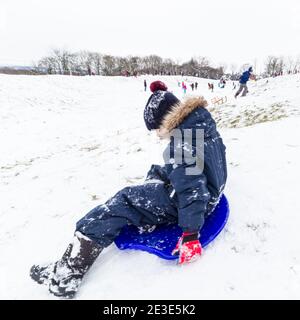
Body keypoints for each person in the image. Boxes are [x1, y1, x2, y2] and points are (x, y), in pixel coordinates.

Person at [30, 81, 227, 299]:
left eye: (157, 129)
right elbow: (198, 170)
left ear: (166, 121)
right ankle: (146, 213)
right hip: (211, 190)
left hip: (193, 204)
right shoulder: (199, 124)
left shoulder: (181, 144)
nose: (157, 134)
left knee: (120, 202)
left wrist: (190, 234)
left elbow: (192, 191)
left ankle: (67, 275)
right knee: (158, 170)